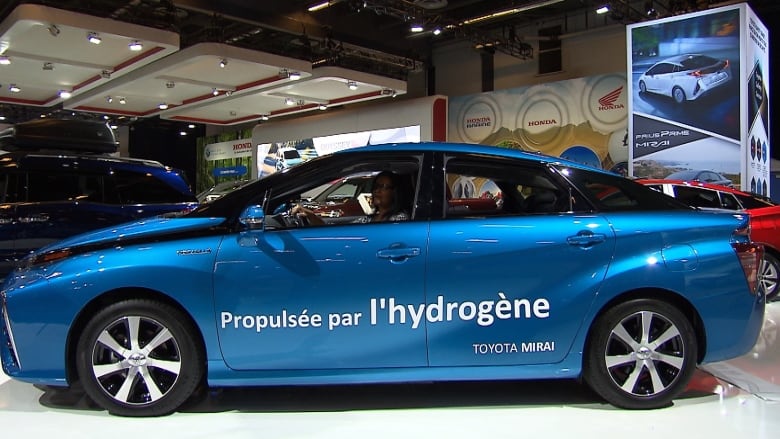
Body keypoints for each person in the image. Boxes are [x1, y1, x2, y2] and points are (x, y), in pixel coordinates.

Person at [292, 170, 410, 225]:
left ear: (395, 192)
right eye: (375, 186)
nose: (376, 190)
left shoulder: (399, 220)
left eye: (383, 187)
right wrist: (311, 215)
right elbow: (338, 234)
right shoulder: (367, 220)